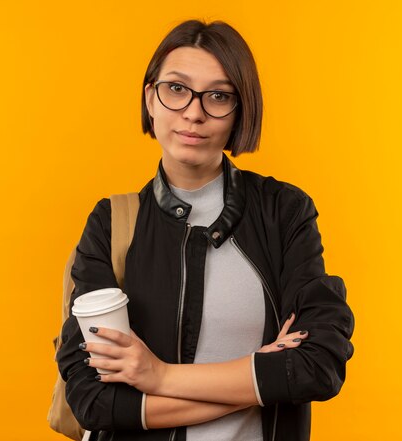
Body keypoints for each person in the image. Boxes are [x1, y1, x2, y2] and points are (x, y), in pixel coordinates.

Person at [56, 19, 355, 441]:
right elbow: (93, 401)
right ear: (150, 98)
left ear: (240, 110)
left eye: (218, 96)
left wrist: (157, 376)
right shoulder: (111, 223)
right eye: (176, 89)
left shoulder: (283, 211)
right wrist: (260, 377)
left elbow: (318, 365)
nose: (194, 113)